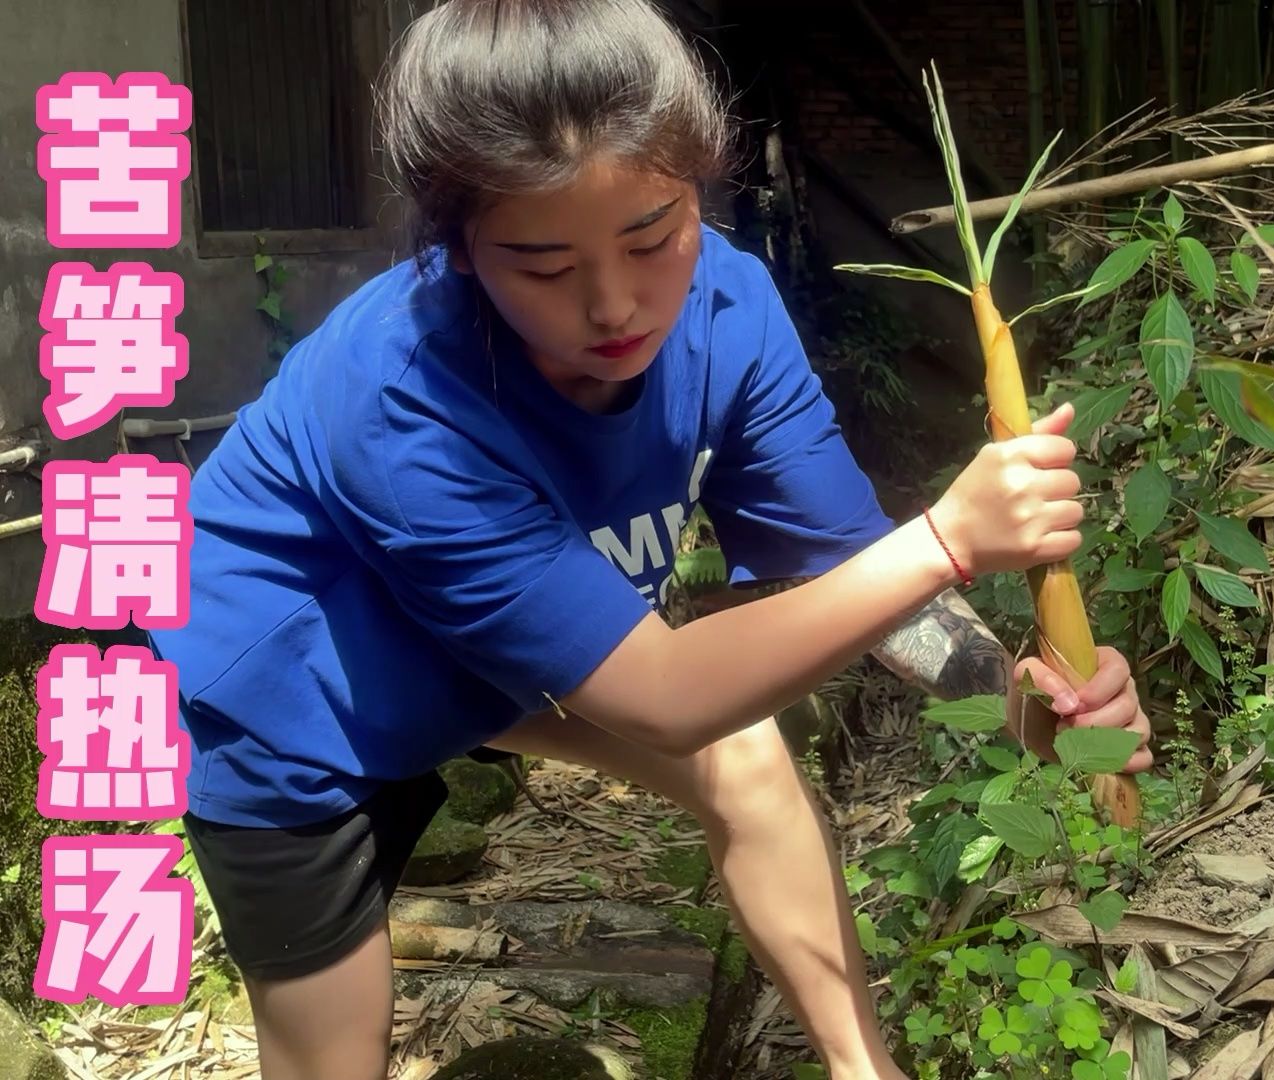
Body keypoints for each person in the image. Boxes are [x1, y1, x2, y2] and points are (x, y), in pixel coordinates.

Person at [146, 2, 1155, 1078]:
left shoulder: (728, 307)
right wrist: (950, 538)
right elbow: (665, 698)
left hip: (493, 650)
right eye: (542, 267)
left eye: (654, 235)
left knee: (747, 755)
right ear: (457, 249)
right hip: (296, 693)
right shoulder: (399, 399)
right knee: (333, 1060)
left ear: (700, 187)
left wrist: (1021, 702)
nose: (618, 304)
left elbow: (850, 577)